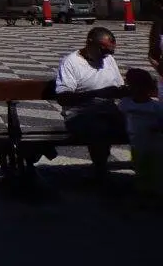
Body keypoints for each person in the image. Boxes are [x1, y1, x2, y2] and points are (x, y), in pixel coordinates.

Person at [55, 26, 128, 175]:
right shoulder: (71, 62)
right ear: (90, 43)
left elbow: (119, 86)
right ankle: (100, 171)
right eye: (103, 50)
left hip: (109, 110)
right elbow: (63, 98)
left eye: (111, 51)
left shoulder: (108, 59)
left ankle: (147, 167)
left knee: (144, 122)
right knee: (99, 129)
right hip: (80, 113)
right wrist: (97, 93)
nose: (106, 55)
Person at [117, 68, 163, 196]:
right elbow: (119, 117)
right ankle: (143, 190)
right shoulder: (125, 103)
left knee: (156, 166)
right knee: (140, 165)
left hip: (155, 143)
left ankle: (155, 190)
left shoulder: (156, 107)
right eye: (132, 86)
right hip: (137, 141)